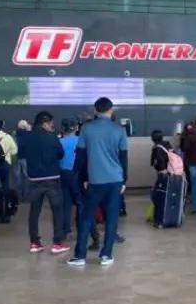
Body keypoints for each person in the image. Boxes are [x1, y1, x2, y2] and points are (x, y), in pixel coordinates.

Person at [68, 98, 129, 267]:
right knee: (111, 219)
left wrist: (82, 178)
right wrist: (124, 180)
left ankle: (80, 256)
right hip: (115, 180)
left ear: (95, 111)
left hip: (95, 181)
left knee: (86, 217)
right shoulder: (119, 130)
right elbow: (124, 157)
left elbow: (81, 155)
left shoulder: (87, 128)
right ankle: (106, 255)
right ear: (111, 110)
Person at [19, 111, 69, 255]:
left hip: (34, 179)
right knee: (57, 211)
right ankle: (57, 243)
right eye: (51, 123)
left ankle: (35, 243)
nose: (52, 126)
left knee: (34, 211)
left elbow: (21, 153)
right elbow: (60, 154)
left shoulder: (27, 137)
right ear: (45, 123)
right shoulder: (52, 137)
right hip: (52, 178)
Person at [59, 119, 84, 238]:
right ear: (76, 128)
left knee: (66, 203)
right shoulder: (80, 141)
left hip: (63, 174)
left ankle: (66, 230)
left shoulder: (59, 142)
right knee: (80, 202)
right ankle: (82, 227)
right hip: (77, 174)